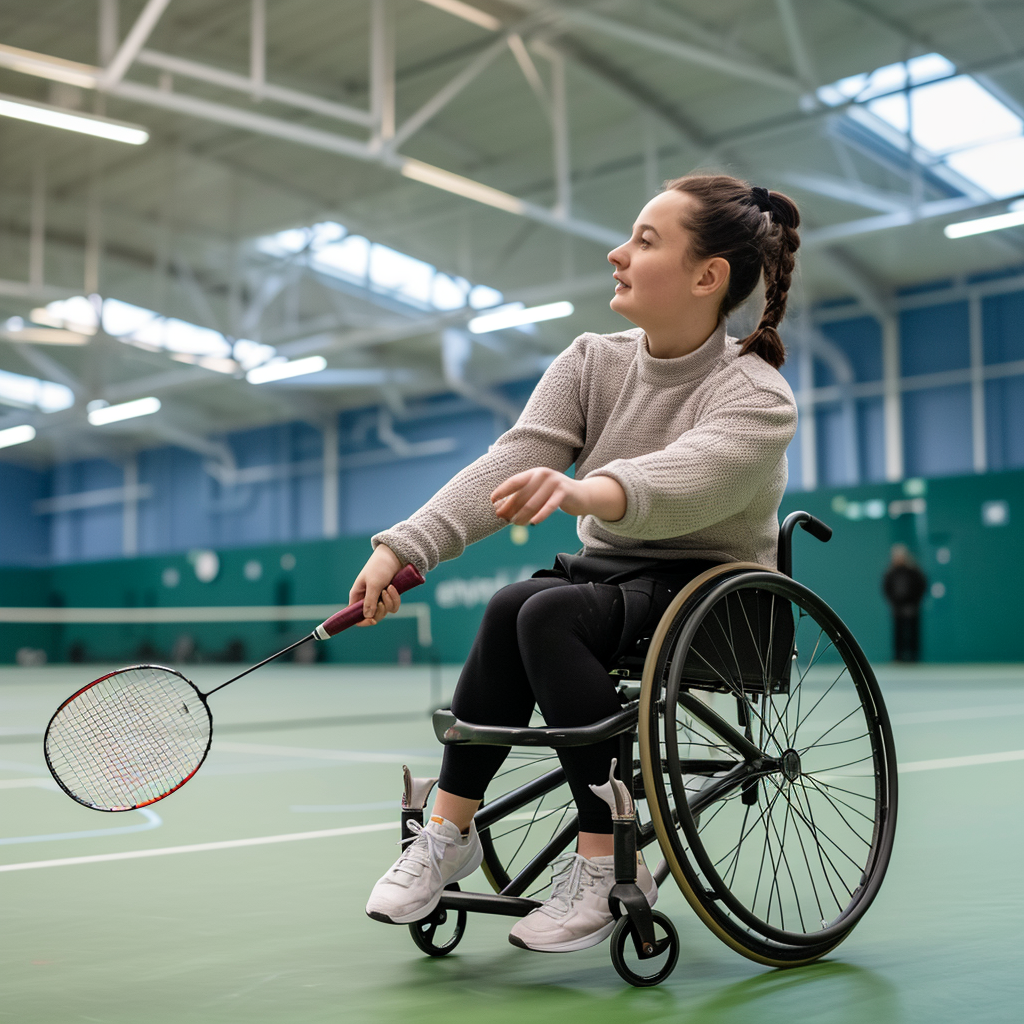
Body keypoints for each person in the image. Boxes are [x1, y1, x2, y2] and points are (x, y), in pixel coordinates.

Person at [353, 174, 801, 953]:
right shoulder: (593, 360)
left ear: (708, 277)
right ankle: (448, 834)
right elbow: (514, 459)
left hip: (712, 595)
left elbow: (686, 478)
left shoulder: (757, 396)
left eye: (645, 241)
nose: (617, 253)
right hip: (610, 582)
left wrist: (588, 488)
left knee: (550, 610)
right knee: (510, 604)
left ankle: (605, 860)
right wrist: (404, 546)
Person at [882, 544, 928, 662]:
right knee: (898, 633)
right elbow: (886, 588)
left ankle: (913, 656)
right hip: (897, 608)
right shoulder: (890, 572)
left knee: (913, 633)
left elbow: (921, 586)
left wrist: (915, 603)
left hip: (912, 607)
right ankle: (898, 657)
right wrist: (893, 603)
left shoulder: (914, 571)